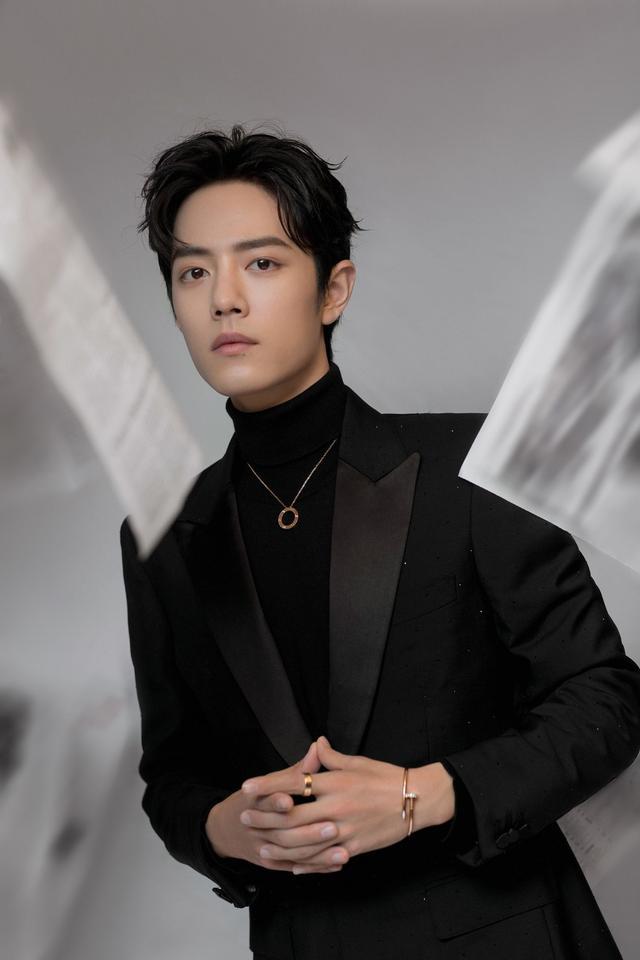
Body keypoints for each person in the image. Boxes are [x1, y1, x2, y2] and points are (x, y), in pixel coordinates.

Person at [120, 123, 640, 960]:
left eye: (262, 263)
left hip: (505, 937)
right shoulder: (164, 536)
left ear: (334, 289)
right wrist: (223, 827)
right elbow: (173, 771)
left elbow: (606, 699)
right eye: (193, 271)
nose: (224, 299)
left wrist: (420, 795)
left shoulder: (471, 466)